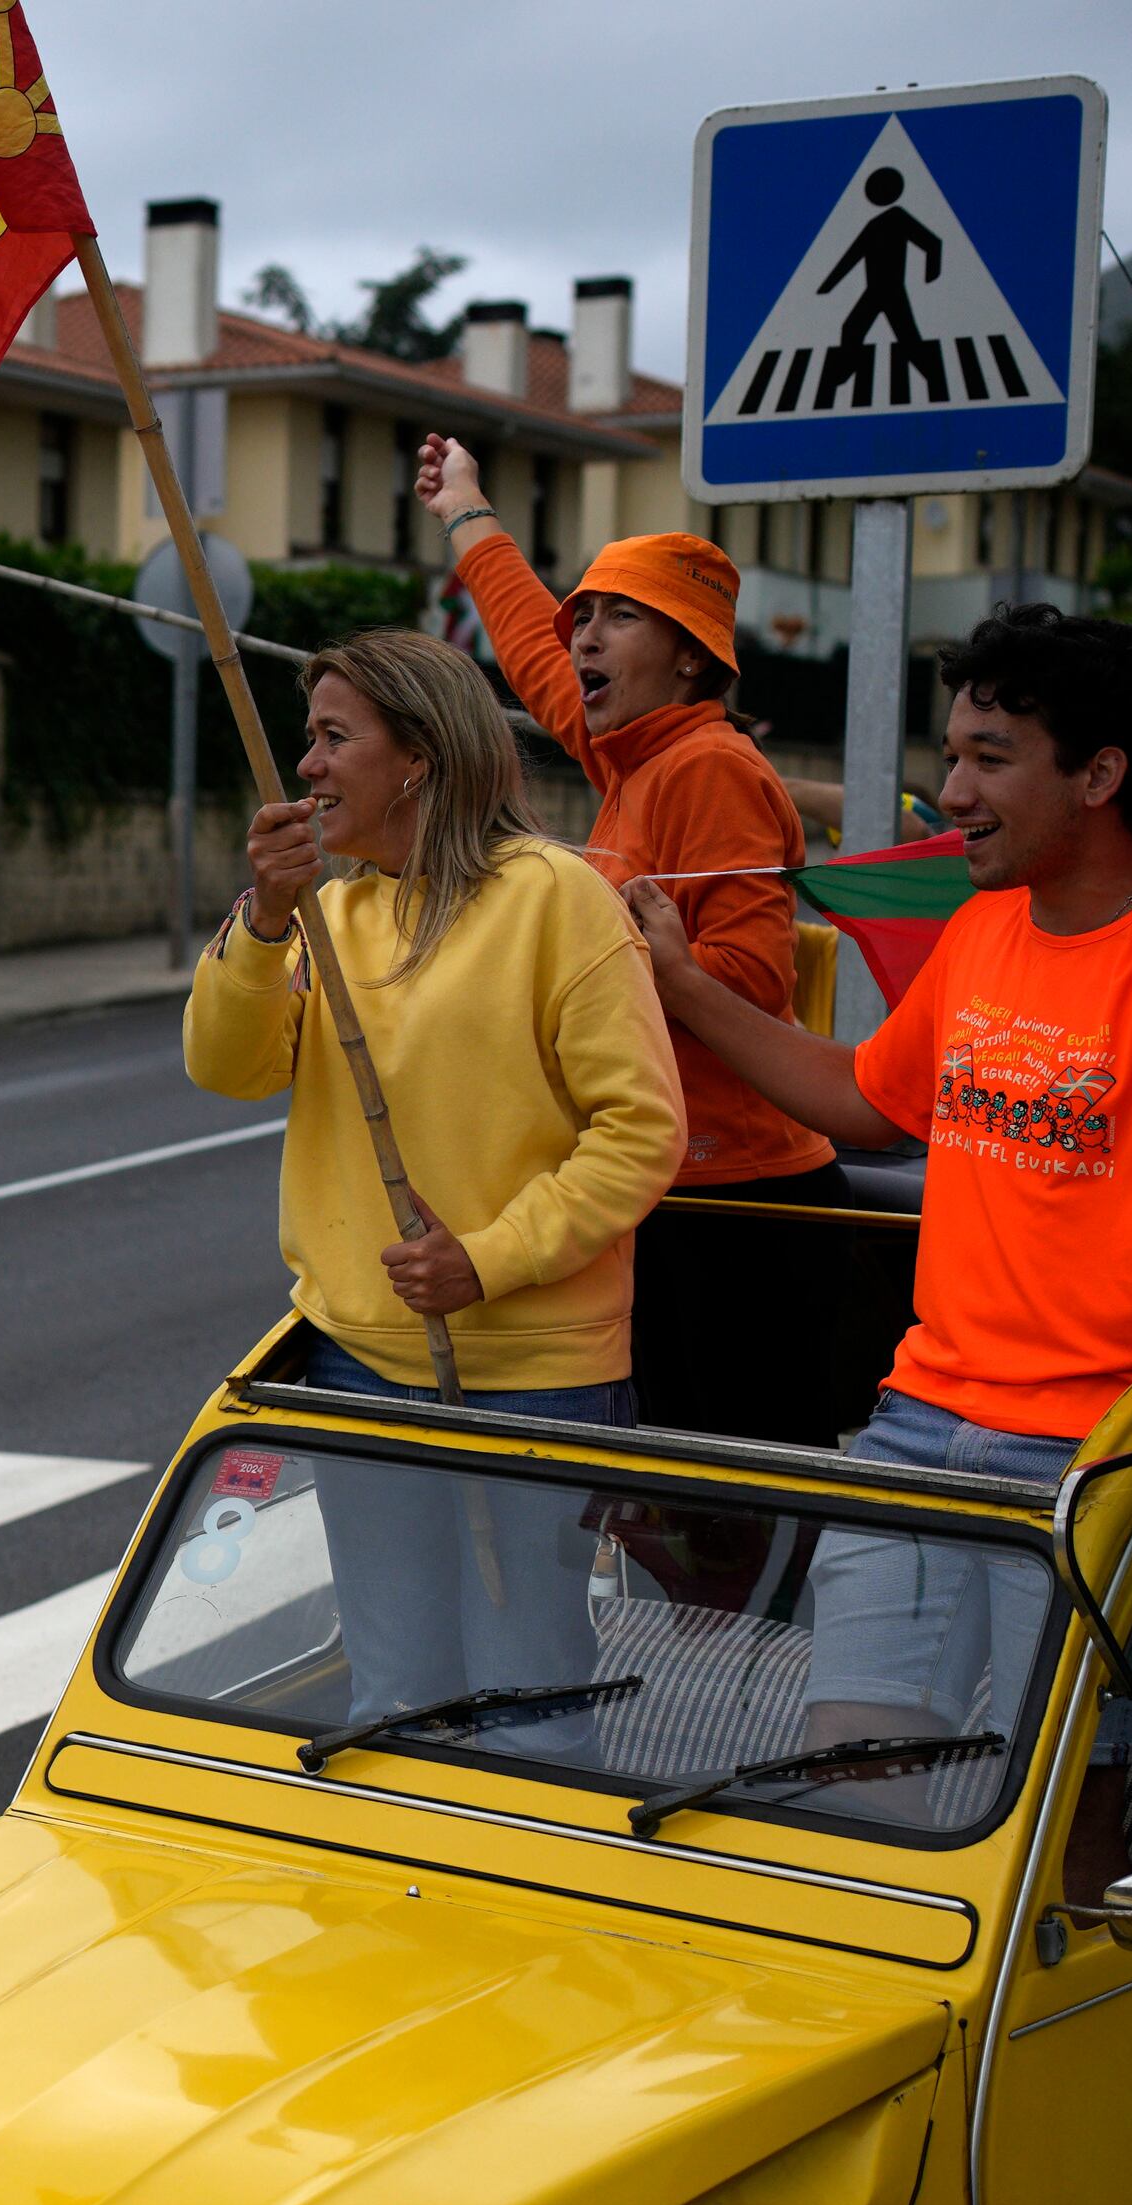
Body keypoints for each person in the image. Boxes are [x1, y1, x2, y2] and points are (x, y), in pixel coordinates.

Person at [624, 607, 1132, 1876]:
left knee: (1061, 1799)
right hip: (919, 1420)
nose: (951, 790)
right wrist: (682, 988)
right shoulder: (983, 926)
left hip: (1112, 1447)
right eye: (953, 752)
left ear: (1099, 777)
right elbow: (864, 1101)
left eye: (989, 757)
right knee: (852, 1779)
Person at [187, 629, 685, 1758]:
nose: (304, 766)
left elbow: (641, 1131)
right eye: (305, 739)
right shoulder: (326, 913)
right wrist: (263, 923)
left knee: (529, 1706)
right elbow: (223, 1066)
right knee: (392, 1696)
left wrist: (488, 1255)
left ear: (416, 756)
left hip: (534, 1375)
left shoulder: (556, 898)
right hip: (356, 1360)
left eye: (330, 738)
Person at [416, 438, 840, 1213]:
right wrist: (463, 508)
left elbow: (755, 978)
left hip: (736, 1191)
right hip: (666, 1173)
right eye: (584, 616)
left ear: (689, 658)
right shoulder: (631, 753)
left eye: (620, 616)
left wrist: (575, 961)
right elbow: (525, 642)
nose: (584, 636)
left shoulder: (706, 767)